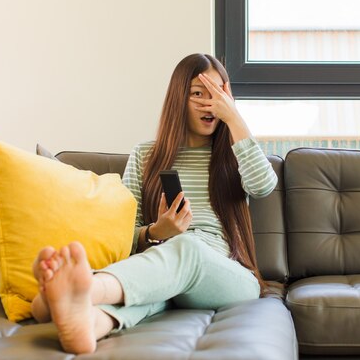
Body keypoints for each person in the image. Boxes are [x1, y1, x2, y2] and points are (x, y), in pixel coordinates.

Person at [29, 53, 278, 354]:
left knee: (187, 247)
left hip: (228, 276)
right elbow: (121, 233)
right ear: (178, 99)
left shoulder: (234, 154)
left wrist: (235, 117)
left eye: (217, 94)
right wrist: (156, 231)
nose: (208, 103)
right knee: (152, 286)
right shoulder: (146, 155)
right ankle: (90, 321)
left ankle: (88, 289)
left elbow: (263, 186)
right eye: (198, 93)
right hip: (167, 267)